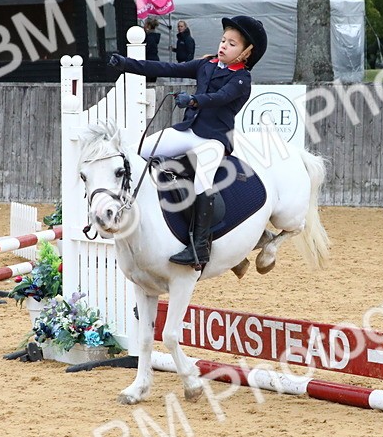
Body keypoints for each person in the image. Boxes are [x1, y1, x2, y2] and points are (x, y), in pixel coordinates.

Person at [106, 15, 265, 268]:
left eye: (232, 44)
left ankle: (200, 248)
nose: (224, 45)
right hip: (188, 131)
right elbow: (167, 68)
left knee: (202, 183)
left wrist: (193, 100)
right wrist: (126, 64)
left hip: (214, 140)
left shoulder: (241, 79)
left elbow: (220, 97)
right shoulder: (206, 65)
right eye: (223, 40)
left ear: (246, 53)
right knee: (138, 152)